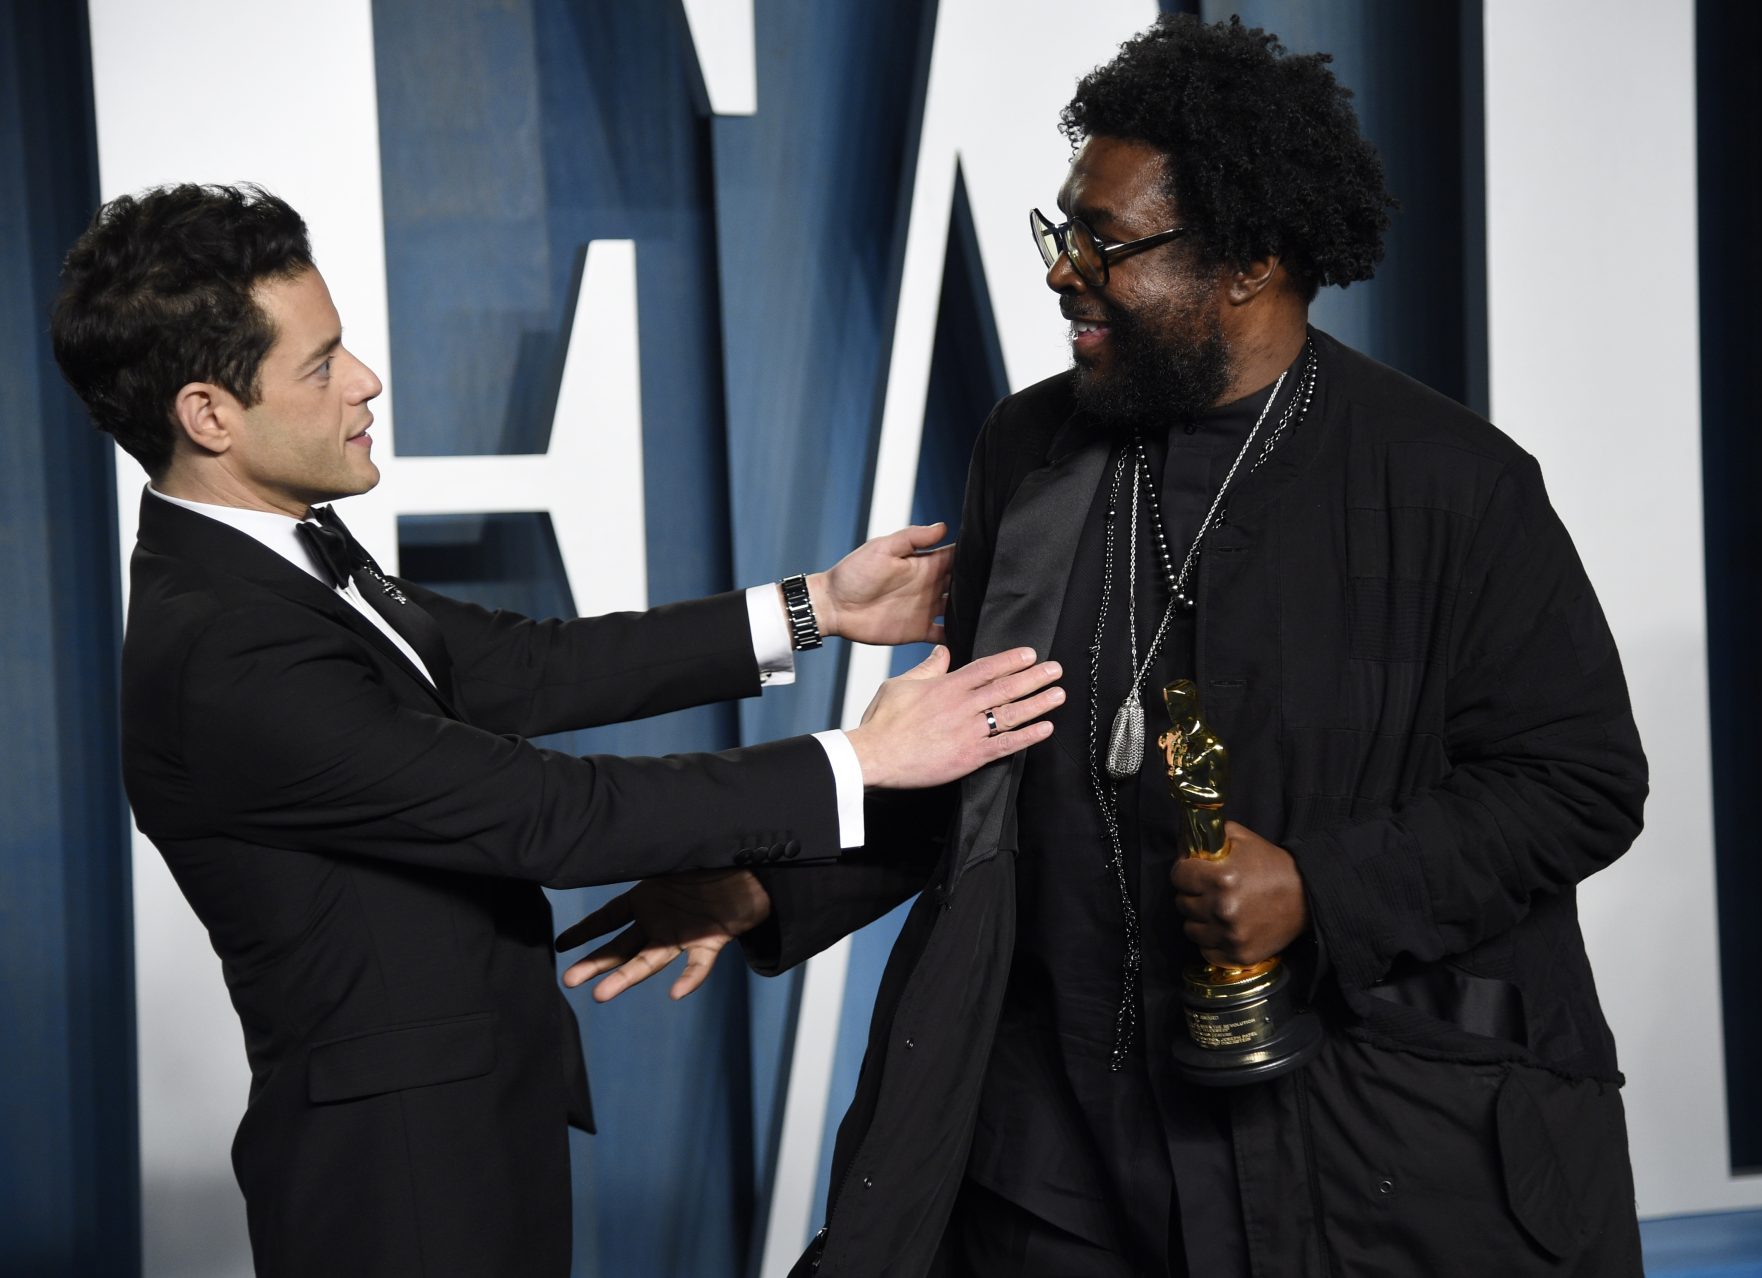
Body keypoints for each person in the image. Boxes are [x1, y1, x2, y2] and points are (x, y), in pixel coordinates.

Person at [562, 16, 1648, 1277]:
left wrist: (1318, 887)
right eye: (1060, 229)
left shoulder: (1453, 484)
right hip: (1055, 1149)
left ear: (1250, 261)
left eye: (1105, 242)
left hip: (1353, 1146)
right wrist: (768, 885)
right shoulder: (1029, 453)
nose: (1062, 269)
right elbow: (982, 769)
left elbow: (1578, 785)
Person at [49, 182, 1063, 1278]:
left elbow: (526, 664)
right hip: (399, 1184)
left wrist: (818, 606)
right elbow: (550, 818)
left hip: (471, 1132)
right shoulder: (228, 655)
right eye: (322, 362)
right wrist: (862, 762)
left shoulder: (283, 556)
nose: (366, 380)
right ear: (208, 415)